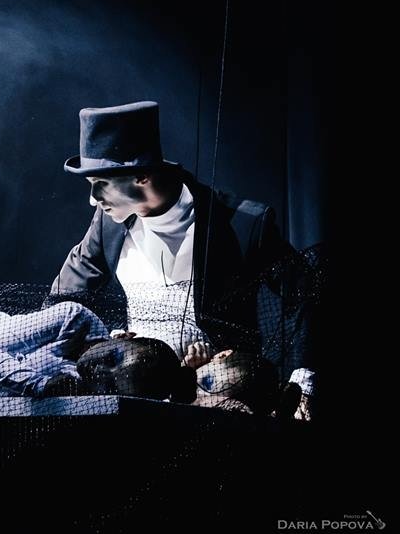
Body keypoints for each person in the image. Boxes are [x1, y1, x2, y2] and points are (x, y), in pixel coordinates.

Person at [49, 101, 315, 419]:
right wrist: (100, 342)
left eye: (100, 185)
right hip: (141, 407)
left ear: (142, 176)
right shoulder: (107, 224)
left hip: (221, 410)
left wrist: (303, 383)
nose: (93, 199)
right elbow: (64, 302)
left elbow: (307, 298)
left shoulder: (245, 225)